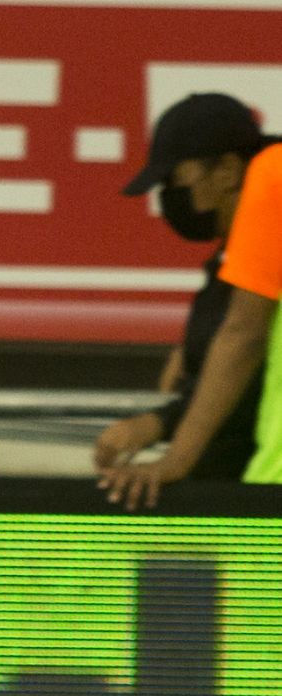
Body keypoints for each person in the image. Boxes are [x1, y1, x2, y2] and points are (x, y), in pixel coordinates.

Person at [101, 98, 281, 508]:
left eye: (176, 182)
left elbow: (243, 338)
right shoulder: (228, 264)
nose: (170, 199)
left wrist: (173, 454)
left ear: (231, 171)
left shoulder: (274, 175)